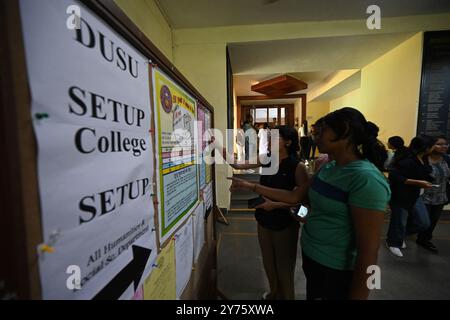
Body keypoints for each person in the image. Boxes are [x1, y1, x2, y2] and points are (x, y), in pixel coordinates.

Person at [229, 107, 391, 300]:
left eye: (321, 132)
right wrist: (251, 187)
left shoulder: (366, 179)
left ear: (345, 131)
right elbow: (296, 198)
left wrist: (360, 295)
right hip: (313, 257)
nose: (315, 137)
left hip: (337, 267)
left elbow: (369, 250)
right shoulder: (329, 168)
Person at [225, 126, 309, 299]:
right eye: (269, 138)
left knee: (284, 266)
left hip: (285, 222)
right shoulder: (267, 159)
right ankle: (273, 293)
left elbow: (303, 204)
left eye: (274, 138)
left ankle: (287, 296)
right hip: (264, 218)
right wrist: (221, 150)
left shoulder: (298, 167)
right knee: (268, 261)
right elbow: (238, 164)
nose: (269, 141)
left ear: (288, 142)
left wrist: (276, 205)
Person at [386, 136, 435, 257]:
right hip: (401, 195)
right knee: (399, 220)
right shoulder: (407, 158)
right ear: (426, 147)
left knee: (423, 223)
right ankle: (393, 242)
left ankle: (398, 235)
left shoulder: (424, 158)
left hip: (415, 195)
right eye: (434, 145)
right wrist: (417, 182)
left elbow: (423, 173)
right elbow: (394, 177)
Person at [417, 135, 450, 253]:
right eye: (439, 144)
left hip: (440, 196)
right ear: (431, 146)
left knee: (433, 220)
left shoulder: (447, 159)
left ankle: (424, 239)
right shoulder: (423, 159)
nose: (443, 146)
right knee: (423, 220)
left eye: (445, 144)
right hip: (423, 196)